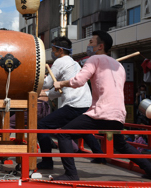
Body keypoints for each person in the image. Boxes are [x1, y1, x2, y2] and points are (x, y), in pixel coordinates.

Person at [53, 30, 151, 181]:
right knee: (121, 145)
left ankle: (71, 174)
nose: (88, 45)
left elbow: (78, 81)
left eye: (91, 42)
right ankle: (150, 169)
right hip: (118, 113)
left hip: (102, 111)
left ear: (100, 46)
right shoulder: (118, 65)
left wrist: (61, 83)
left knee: (64, 134)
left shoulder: (94, 60)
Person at [37, 36, 105, 170]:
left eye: (54, 49)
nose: (53, 52)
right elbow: (60, 88)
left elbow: (47, 83)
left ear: (60, 50)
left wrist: (39, 79)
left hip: (74, 103)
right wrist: (46, 94)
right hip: (85, 102)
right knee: (82, 128)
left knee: (42, 125)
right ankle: (99, 155)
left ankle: (47, 161)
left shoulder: (60, 61)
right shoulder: (74, 63)